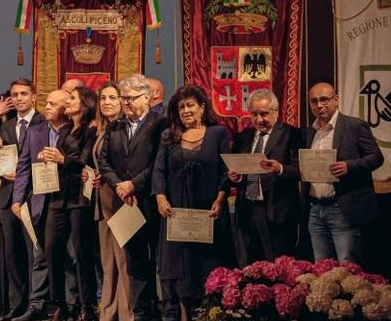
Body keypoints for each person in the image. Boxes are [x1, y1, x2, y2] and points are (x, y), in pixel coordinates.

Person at [153, 85, 230, 321]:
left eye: (190, 105)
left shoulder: (218, 133)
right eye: (181, 107)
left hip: (208, 211)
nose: (186, 111)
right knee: (179, 268)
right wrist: (160, 197)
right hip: (176, 211)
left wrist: (220, 198)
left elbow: (226, 171)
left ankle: (209, 314)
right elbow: (159, 170)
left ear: (202, 107)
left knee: (206, 266)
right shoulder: (169, 136)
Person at [11, 90, 85, 321]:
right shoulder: (35, 132)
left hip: (68, 201)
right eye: (47, 103)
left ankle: (71, 305)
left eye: (54, 104)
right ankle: (38, 305)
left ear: (65, 108)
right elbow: (24, 167)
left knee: (70, 254)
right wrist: (17, 199)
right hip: (41, 201)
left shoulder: (73, 131)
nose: (48, 107)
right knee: (41, 254)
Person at [96, 75, 164, 321]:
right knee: (135, 261)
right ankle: (141, 312)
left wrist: (134, 184)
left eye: (130, 98)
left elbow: (159, 162)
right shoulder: (115, 126)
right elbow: (104, 161)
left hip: (150, 200)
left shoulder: (160, 124)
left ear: (146, 97)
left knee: (158, 258)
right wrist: (119, 185)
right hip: (124, 202)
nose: (125, 102)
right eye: (123, 98)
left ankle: (163, 310)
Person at [302, 81, 381, 264]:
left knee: (348, 267)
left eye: (324, 99)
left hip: (343, 208)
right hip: (315, 209)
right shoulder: (309, 132)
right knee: (321, 268)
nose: (319, 105)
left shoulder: (354, 125)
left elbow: (377, 157)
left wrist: (348, 166)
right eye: (314, 101)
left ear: (336, 100)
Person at [225, 88, 303, 264]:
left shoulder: (292, 134)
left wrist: (280, 168)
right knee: (251, 265)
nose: (259, 119)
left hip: (277, 211)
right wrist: (236, 178)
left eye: (264, 114)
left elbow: (301, 170)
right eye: (254, 114)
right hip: (247, 209)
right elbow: (237, 170)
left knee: (279, 266)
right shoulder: (243, 137)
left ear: (276, 112)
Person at [0, 79, 47, 321]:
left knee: (34, 254)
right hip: (8, 197)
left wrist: (25, 176)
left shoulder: (44, 123)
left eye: (24, 93)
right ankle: (16, 304)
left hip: (33, 196)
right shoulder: (6, 126)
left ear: (34, 96)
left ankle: (36, 305)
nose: (19, 98)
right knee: (12, 255)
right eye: (15, 94)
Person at [89, 82, 132, 321]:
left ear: (122, 102)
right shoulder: (102, 129)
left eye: (112, 98)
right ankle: (109, 310)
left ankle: (127, 312)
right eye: (103, 98)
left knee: (123, 258)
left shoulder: (125, 127)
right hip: (103, 199)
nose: (106, 102)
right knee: (108, 260)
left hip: (121, 198)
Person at [67, 87, 100, 321]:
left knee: (83, 252)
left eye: (72, 98)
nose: (67, 101)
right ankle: (75, 302)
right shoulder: (68, 128)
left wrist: (62, 159)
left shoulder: (91, 129)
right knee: (70, 253)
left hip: (82, 197)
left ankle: (88, 304)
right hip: (65, 196)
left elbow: (84, 160)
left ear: (85, 103)